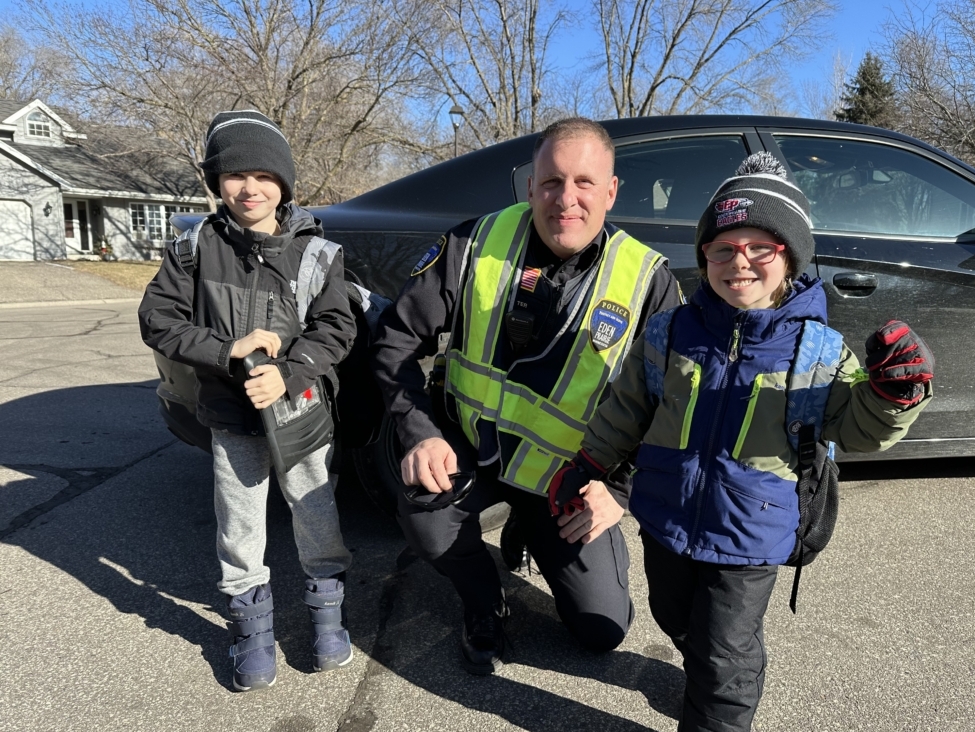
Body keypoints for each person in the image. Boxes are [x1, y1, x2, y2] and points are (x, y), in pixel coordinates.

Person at [554, 151, 934, 732]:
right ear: (704, 254)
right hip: (666, 517)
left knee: (724, 656)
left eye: (762, 247)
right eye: (723, 248)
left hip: (749, 534)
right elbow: (627, 408)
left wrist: (895, 396)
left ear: (791, 256)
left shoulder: (817, 350)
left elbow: (858, 429)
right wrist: (589, 463)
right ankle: (714, 670)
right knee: (674, 616)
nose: (740, 262)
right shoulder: (670, 332)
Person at [372, 117, 681, 674]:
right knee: (424, 516)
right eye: (552, 182)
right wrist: (419, 434)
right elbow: (395, 341)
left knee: (602, 630)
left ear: (611, 191)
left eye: (585, 182)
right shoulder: (475, 243)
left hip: (568, 475)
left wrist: (621, 491)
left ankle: (532, 527)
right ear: (531, 185)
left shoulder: (647, 281)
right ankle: (484, 599)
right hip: (471, 449)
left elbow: (670, 407)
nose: (566, 199)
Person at [139, 110, 358, 692]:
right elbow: (158, 319)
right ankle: (251, 633)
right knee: (239, 526)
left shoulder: (318, 253)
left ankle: (328, 619)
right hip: (231, 417)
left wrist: (289, 372)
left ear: (284, 181)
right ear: (217, 180)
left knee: (316, 512)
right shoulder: (193, 248)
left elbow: (337, 328)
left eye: (264, 175)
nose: (249, 188)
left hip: (300, 415)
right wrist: (224, 350)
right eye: (235, 175)